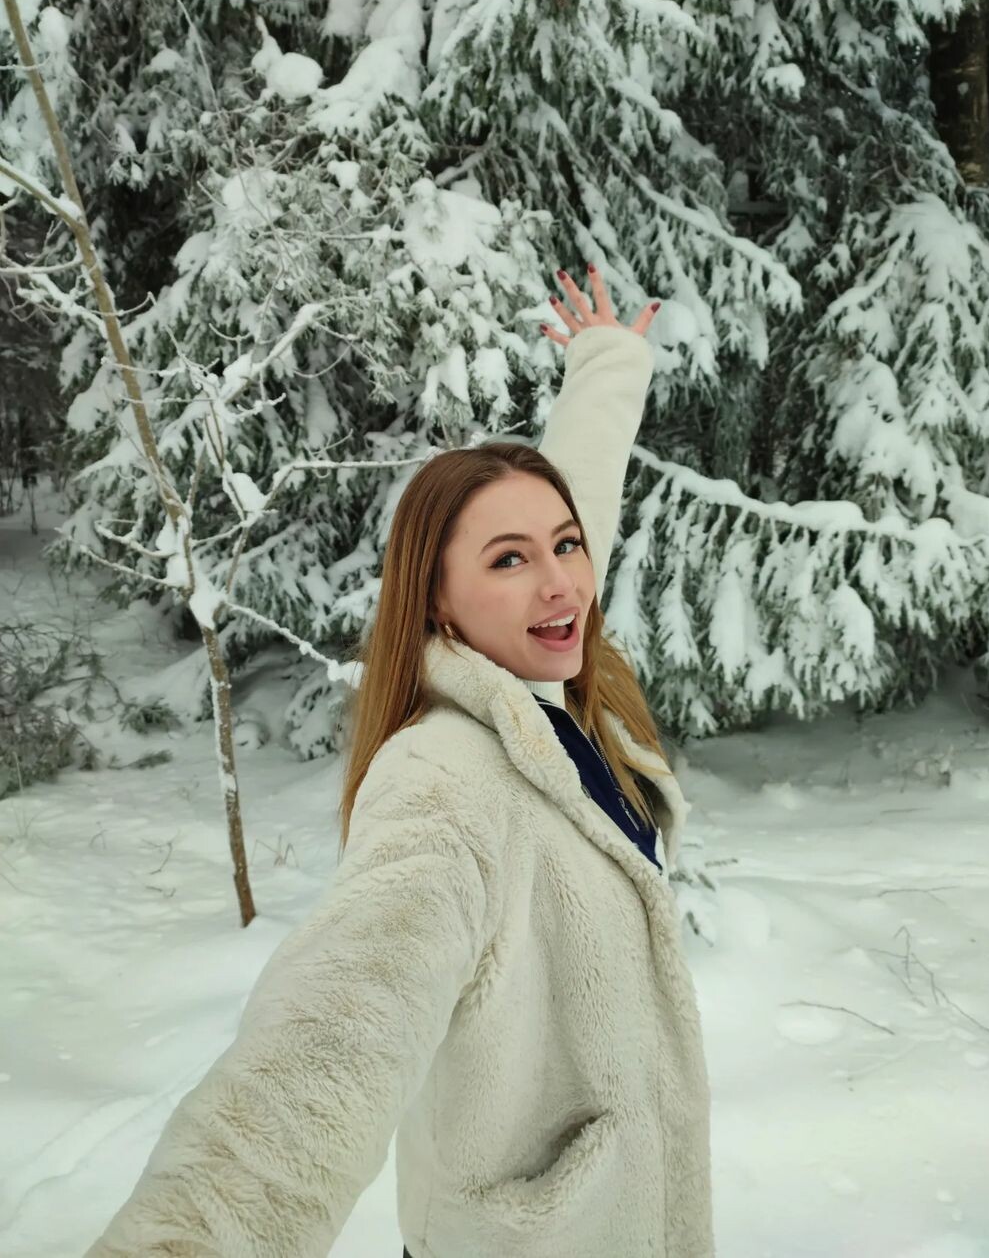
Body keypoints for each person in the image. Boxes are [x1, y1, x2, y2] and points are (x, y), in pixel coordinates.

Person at [84, 266, 714, 1257]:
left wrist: (606, 367)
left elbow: (568, 506)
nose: (562, 583)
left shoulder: (545, 682)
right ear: (437, 604)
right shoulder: (443, 779)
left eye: (566, 546)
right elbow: (335, 1030)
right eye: (510, 560)